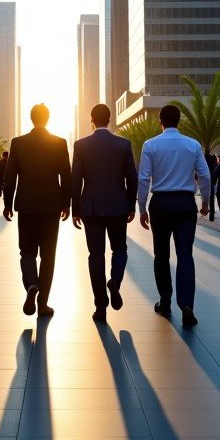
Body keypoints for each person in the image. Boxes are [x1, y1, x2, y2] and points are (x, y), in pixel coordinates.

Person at [138, 105, 211, 328]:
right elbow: (205, 175)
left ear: (160, 120)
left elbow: (143, 179)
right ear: (179, 120)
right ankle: (186, 304)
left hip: (160, 203)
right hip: (185, 203)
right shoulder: (193, 145)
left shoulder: (150, 145)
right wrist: (205, 201)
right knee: (185, 255)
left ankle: (166, 302)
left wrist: (142, 208)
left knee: (161, 255)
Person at [3, 103, 72, 318]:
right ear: (47, 118)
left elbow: (10, 176)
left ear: (31, 118)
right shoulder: (59, 143)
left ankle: (31, 284)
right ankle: (43, 304)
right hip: (51, 205)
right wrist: (66, 203)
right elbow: (67, 176)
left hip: (26, 205)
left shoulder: (18, 143)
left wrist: (7, 203)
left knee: (27, 251)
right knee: (48, 256)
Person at [71, 103, 138, 323]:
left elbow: (75, 179)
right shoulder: (123, 144)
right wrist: (131, 205)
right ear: (110, 119)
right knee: (120, 249)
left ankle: (100, 306)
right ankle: (115, 282)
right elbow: (132, 177)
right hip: (118, 207)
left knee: (95, 256)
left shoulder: (81, 145)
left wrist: (75, 208)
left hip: (91, 208)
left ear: (92, 119)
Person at [203, 149, 218, 222]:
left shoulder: (208, 159)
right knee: (211, 196)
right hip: (212, 181)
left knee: (210, 196)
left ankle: (209, 211)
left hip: (209, 180)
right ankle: (210, 212)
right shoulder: (213, 160)